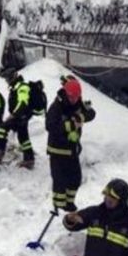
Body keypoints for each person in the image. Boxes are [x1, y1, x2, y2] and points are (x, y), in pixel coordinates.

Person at [45, 76, 95, 212]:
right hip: (57, 149)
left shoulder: (78, 102)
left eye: (76, 97)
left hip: (72, 149)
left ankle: (69, 203)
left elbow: (91, 113)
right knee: (59, 180)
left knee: (75, 178)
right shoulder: (56, 107)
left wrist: (81, 117)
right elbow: (50, 126)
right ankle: (57, 207)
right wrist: (71, 125)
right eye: (72, 97)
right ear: (66, 94)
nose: (74, 100)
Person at [1, 73, 44, 169]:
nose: (6, 81)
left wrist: (13, 115)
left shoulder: (22, 87)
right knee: (23, 136)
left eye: (7, 78)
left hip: (21, 115)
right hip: (21, 115)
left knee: (2, 129)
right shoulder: (16, 86)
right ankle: (29, 159)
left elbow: (23, 102)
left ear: (12, 77)